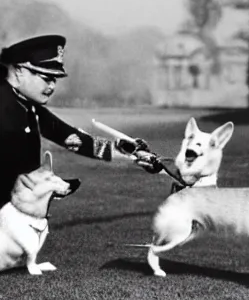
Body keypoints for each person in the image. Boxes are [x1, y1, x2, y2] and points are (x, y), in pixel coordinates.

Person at [0, 34, 160, 209]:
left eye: (54, 79)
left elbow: (72, 139)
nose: (52, 86)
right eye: (46, 78)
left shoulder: (27, 106)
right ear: (19, 71)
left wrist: (133, 154)